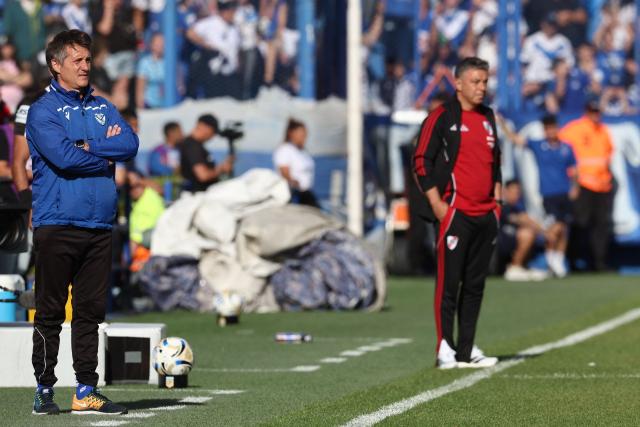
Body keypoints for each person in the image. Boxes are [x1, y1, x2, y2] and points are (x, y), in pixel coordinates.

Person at [26, 29, 138, 415]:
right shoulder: (43, 111)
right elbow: (63, 158)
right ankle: (43, 388)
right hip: (57, 222)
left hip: (99, 225)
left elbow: (130, 144)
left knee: (90, 312)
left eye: (88, 59)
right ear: (56, 65)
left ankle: (85, 389)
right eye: (77, 60)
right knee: (51, 311)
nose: (86, 66)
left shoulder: (104, 107)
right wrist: (104, 156)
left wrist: (90, 147)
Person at [413, 56, 501, 369]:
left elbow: (496, 164)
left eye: (485, 82)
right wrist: (438, 205)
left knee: (475, 285)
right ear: (459, 83)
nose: (481, 88)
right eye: (475, 82)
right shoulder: (441, 117)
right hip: (455, 212)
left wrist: (497, 206)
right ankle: (443, 347)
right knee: (449, 283)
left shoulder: (488, 116)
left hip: (485, 214)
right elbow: (421, 160)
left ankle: (466, 347)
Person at [499, 114, 578, 278]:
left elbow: (574, 170)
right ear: (544, 130)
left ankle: (559, 259)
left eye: (553, 128)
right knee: (554, 226)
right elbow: (516, 139)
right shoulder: (539, 146)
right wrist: (502, 123)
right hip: (549, 194)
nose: (550, 132)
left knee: (564, 228)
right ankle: (551, 259)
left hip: (564, 192)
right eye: (547, 129)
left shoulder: (566, 148)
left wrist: (575, 187)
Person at [558, 100, 614, 271]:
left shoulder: (604, 130)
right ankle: (574, 261)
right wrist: (571, 178)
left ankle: (599, 263)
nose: (596, 114)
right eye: (592, 111)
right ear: (586, 111)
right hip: (583, 184)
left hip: (603, 185)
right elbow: (561, 152)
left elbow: (608, 155)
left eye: (598, 111)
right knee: (580, 223)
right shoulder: (574, 129)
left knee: (601, 225)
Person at [497, 180, 549, 281]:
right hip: (501, 241)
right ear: (505, 191)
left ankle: (522, 267)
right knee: (527, 234)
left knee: (531, 234)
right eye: (514, 192)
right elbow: (520, 218)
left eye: (518, 193)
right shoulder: (502, 206)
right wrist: (544, 231)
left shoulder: (517, 207)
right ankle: (514, 268)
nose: (517, 195)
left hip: (512, 239)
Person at [179, 113, 233, 192]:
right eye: (212, 131)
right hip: (198, 196)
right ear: (202, 126)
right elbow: (203, 175)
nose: (213, 136)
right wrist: (222, 168)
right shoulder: (192, 146)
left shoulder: (193, 145)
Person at [273, 118, 318, 207]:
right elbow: (284, 171)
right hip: (294, 195)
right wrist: (292, 182)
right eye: (301, 134)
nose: (304, 137)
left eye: (305, 134)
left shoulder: (302, 151)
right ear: (292, 133)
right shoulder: (285, 150)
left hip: (306, 193)